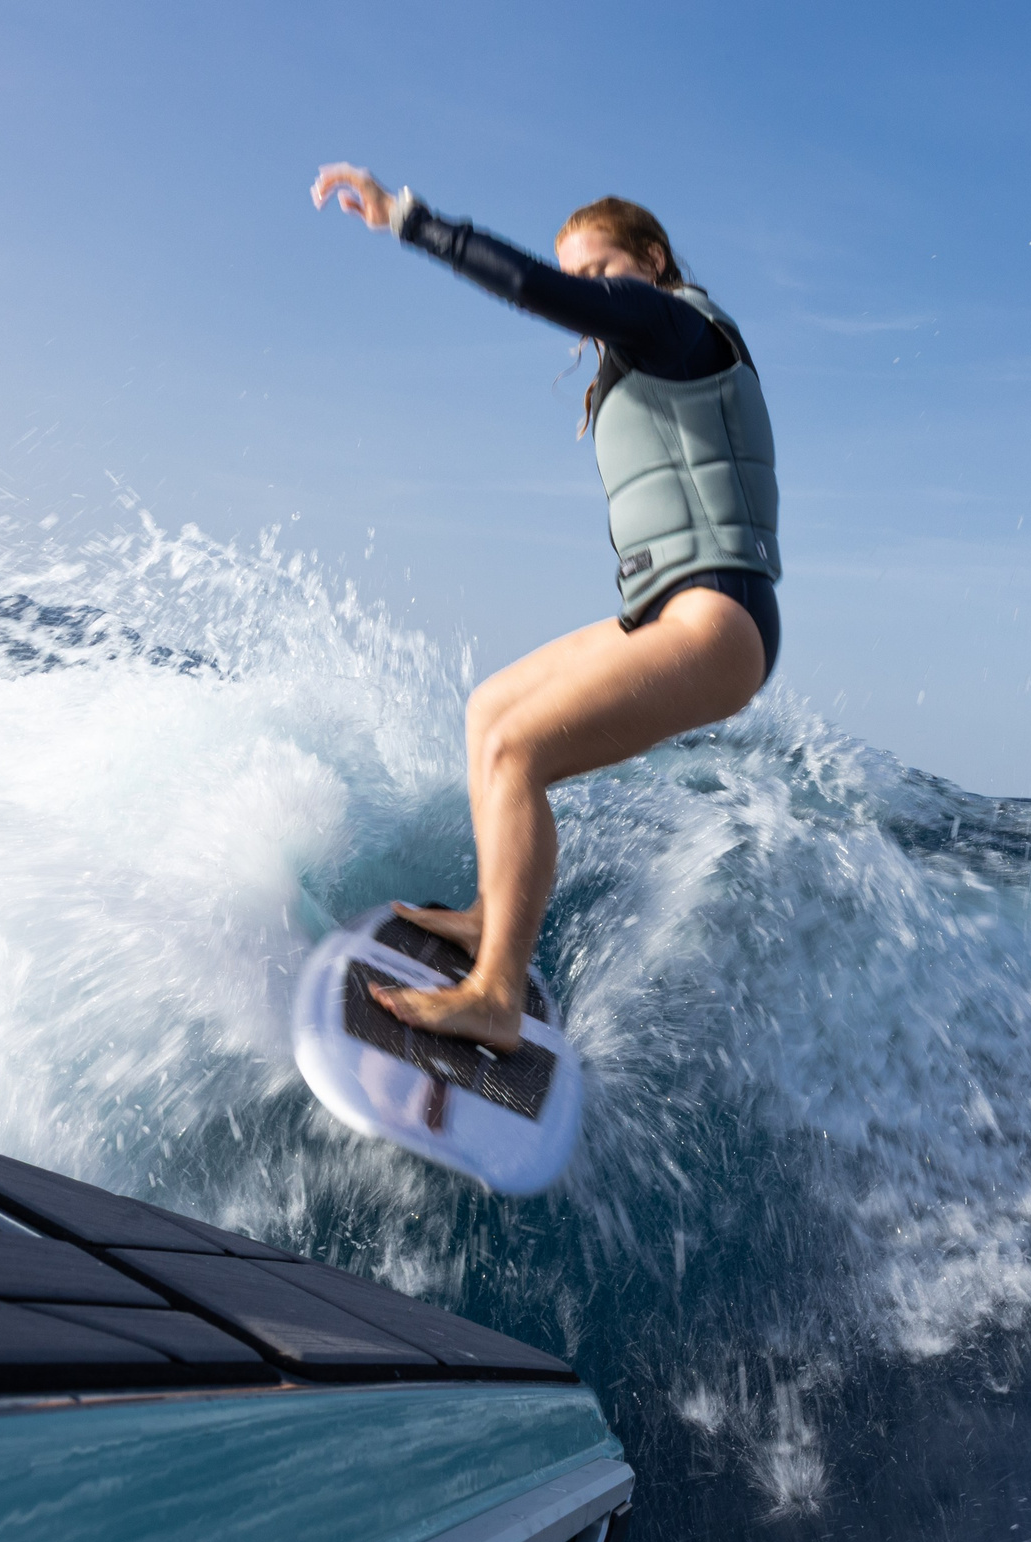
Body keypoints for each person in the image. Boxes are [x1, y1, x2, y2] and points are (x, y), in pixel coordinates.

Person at [310, 164, 782, 1052]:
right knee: (491, 708)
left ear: (652, 260)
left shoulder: (676, 322)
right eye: (581, 277)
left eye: (600, 270)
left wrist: (409, 221)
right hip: (673, 611)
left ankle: (494, 997)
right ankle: (494, 915)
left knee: (521, 752)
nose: (587, 292)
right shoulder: (642, 358)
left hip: (721, 619)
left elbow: (532, 286)